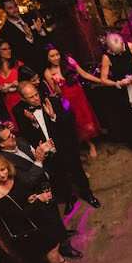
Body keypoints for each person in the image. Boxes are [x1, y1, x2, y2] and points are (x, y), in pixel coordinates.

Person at [0, 155, 76, 263]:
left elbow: (25, 196)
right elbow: (19, 216)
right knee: (51, 249)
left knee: (55, 244)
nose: (2, 175)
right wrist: (38, 199)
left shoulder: (12, 178)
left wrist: (34, 197)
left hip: (37, 218)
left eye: (3, 169)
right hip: (28, 228)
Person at [13, 81, 100, 212]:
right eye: (31, 97)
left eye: (36, 94)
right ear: (22, 98)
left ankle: (87, 194)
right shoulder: (19, 111)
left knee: (77, 171)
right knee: (59, 176)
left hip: (65, 145)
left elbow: (70, 122)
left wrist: (53, 116)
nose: (36, 98)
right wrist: (33, 123)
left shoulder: (51, 101)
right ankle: (69, 198)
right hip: (47, 151)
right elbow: (26, 135)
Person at [41, 44, 102, 159]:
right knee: (76, 122)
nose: (56, 58)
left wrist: (102, 80)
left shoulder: (69, 61)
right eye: (52, 56)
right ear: (47, 58)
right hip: (67, 100)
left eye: (57, 54)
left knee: (86, 118)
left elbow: (84, 74)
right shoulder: (48, 72)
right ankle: (86, 145)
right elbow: (57, 93)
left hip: (79, 95)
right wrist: (56, 83)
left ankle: (91, 144)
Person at [96, 31, 132, 145]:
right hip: (122, 92)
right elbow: (103, 79)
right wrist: (117, 83)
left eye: (121, 50)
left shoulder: (130, 46)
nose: (120, 53)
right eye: (116, 52)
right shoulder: (106, 57)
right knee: (130, 119)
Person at [0, 0, 46, 72]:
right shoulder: (5, 31)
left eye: (15, 6)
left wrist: (40, 31)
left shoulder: (30, 16)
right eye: (10, 8)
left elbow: (46, 39)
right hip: (31, 66)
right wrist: (29, 37)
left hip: (46, 57)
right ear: (4, 11)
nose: (15, 9)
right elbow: (19, 52)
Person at [0, 39, 33, 116]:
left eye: (9, 48)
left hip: (21, 100)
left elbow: (30, 83)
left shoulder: (18, 64)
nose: (8, 51)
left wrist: (18, 84)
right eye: (4, 49)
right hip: (5, 103)